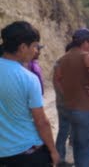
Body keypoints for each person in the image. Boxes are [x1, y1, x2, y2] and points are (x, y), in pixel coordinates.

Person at [0, 21, 59, 166]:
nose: (36, 51)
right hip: (26, 152)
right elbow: (41, 122)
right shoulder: (28, 78)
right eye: (34, 46)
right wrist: (53, 150)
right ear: (22, 47)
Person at [55, 28, 89, 167]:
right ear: (84, 42)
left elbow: (57, 79)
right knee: (85, 149)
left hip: (70, 109)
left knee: (77, 143)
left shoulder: (62, 59)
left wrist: (67, 93)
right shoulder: (87, 56)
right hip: (86, 110)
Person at [53, 45, 73, 167]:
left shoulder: (61, 62)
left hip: (63, 102)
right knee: (64, 130)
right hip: (65, 103)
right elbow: (58, 82)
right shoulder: (63, 63)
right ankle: (59, 160)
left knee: (66, 129)